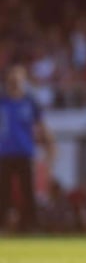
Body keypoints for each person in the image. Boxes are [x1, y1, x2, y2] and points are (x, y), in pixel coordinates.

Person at [0, 64, 56, 233]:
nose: (15, 81)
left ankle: (29, 225)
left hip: (25, 152)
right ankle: (3, 225)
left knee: (28, 191)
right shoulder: (2, 101)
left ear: (23, 79)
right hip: (4, 153)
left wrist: (50, 144)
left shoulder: (30, 102)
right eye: (12, 77)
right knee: (3, 192)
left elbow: (41, 125)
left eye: (18, 77)